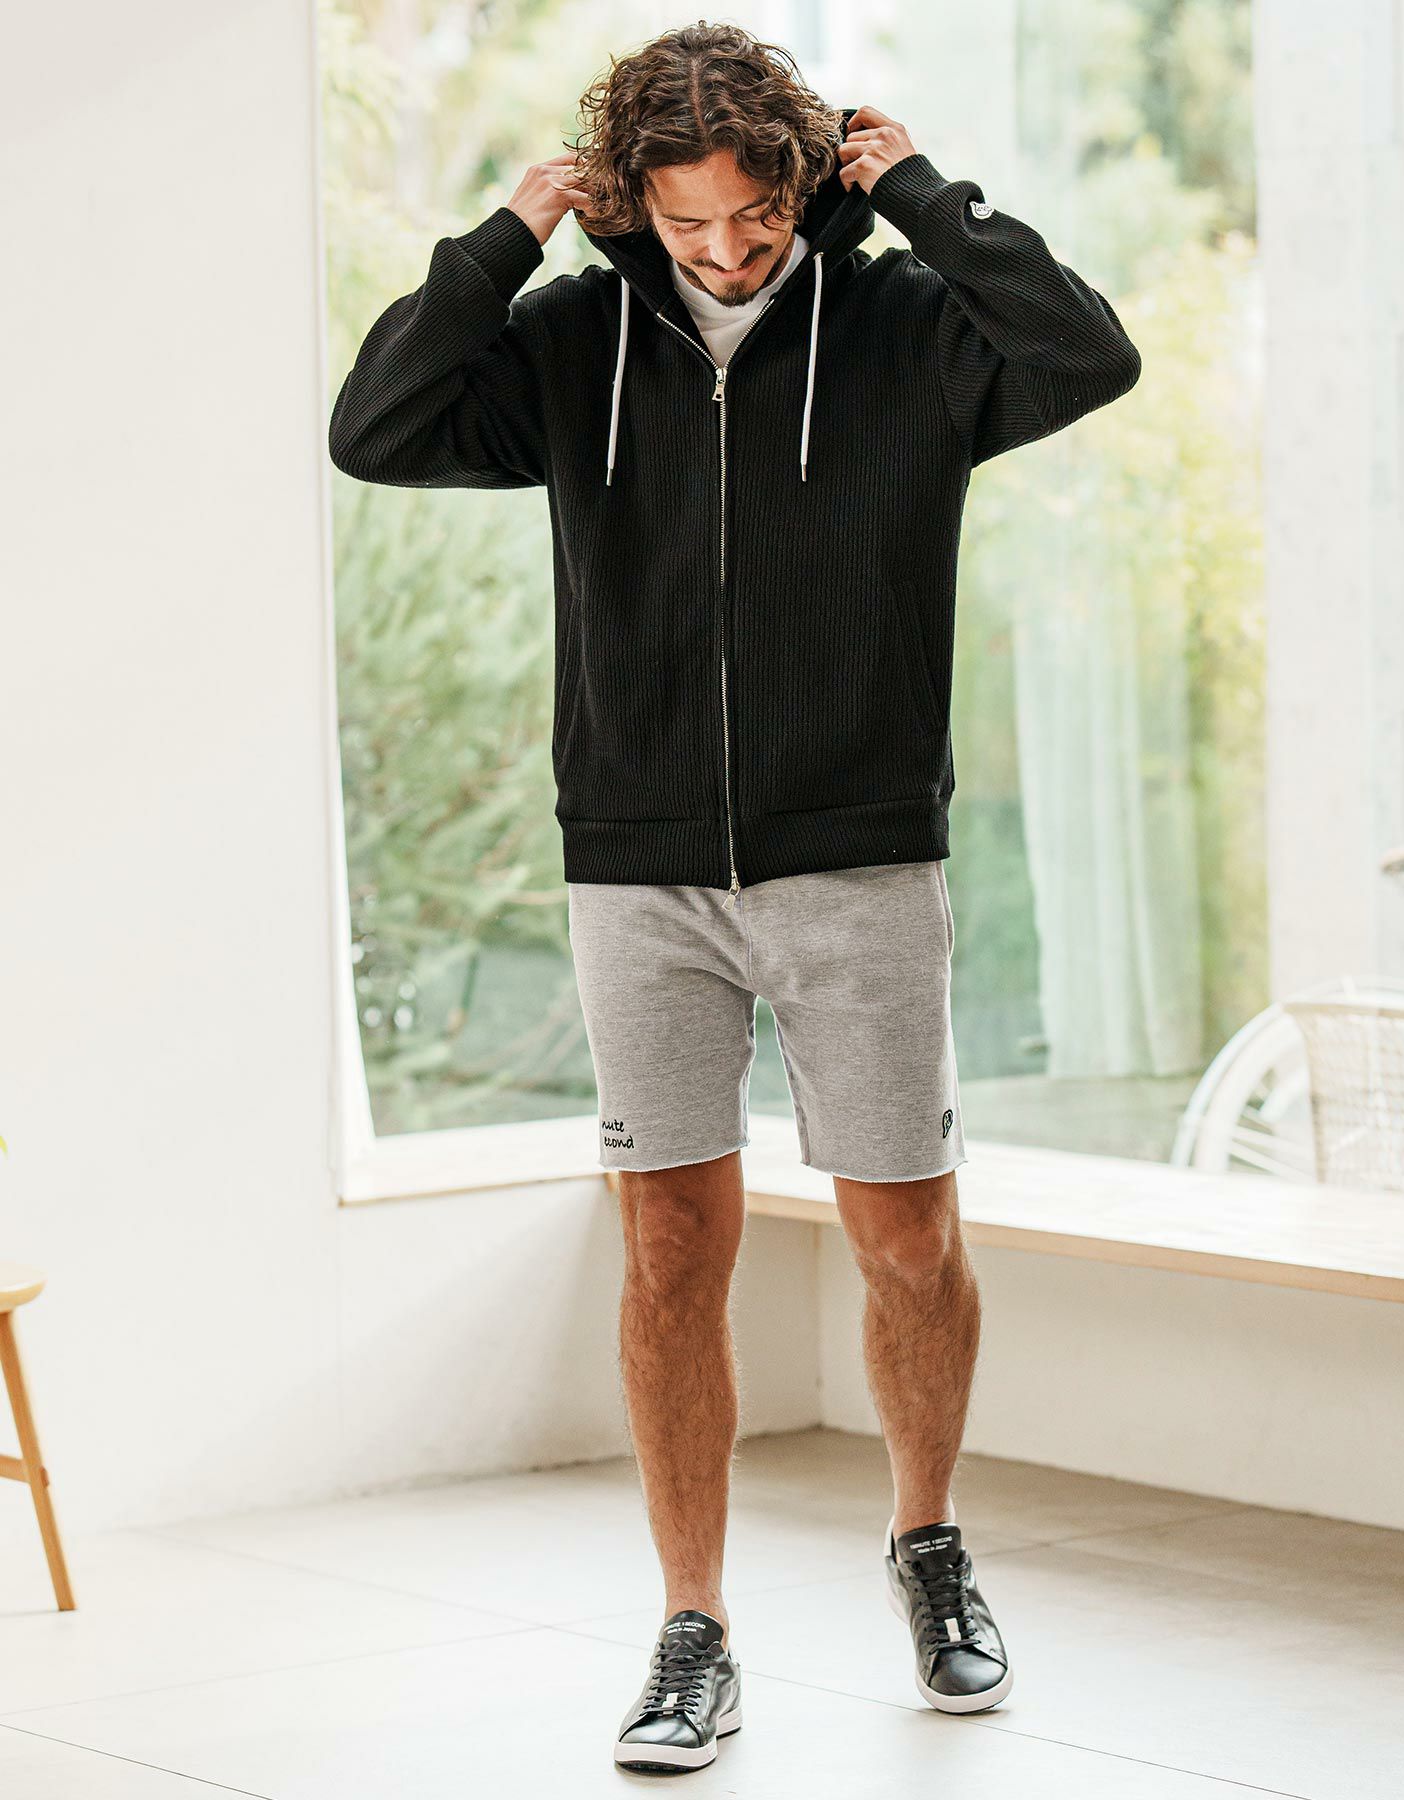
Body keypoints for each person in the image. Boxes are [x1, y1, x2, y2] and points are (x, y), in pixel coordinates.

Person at [329, 20, 1141, 1775]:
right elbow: (375, 426)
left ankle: (929, 1544)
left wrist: (925, 196)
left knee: (906, 1241)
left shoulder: (909, 326)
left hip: (858, 855)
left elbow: (1089, 350)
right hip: (641, 870)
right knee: (669, 1253)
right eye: (688, 222)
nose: (725, 251)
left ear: (804, 179)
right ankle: (692, 1628)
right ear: (635, 203)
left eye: (756, 216)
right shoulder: (571, 342)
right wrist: (504, 237)